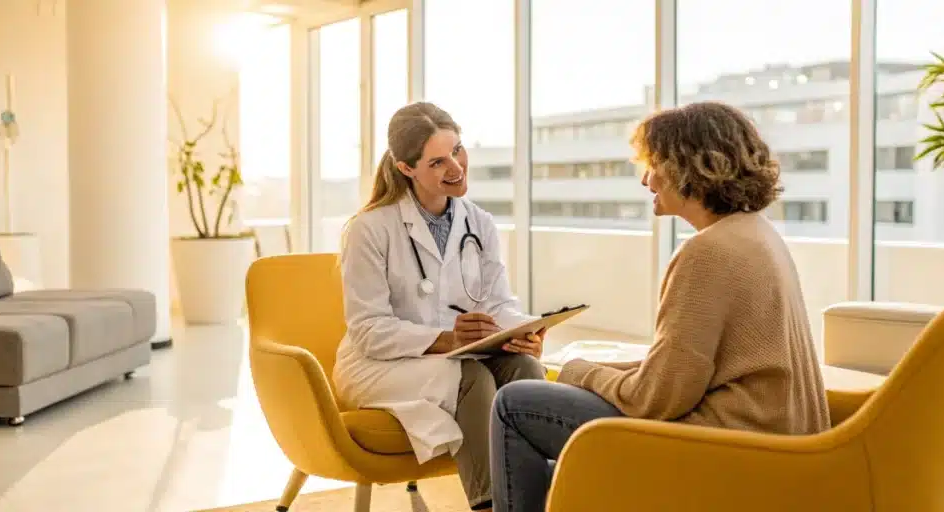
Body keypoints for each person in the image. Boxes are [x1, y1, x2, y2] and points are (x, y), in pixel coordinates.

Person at [489, 101, 833, 512]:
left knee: (514, 403)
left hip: (727, 448)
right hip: (775, 441)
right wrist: (577, 373)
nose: (646, 180)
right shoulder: (756, 234)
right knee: (560, 399)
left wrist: (580, 372)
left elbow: (658, 400)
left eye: (653, 164)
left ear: (689, 166)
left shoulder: (706, 253)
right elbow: (686, 371)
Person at [333, 101, 547, 512]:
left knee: (524, 371)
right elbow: (368, 330)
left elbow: (499, 301)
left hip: (454, 354)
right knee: (471, 379)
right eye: (437, 162)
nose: (456, 167)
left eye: (458, 150)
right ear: (405, 168)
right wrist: (445, 339)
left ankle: (531, 501)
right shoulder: (370, 229)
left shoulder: (478, 223)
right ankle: (490, 505)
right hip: (378, 365)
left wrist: (525, 331)